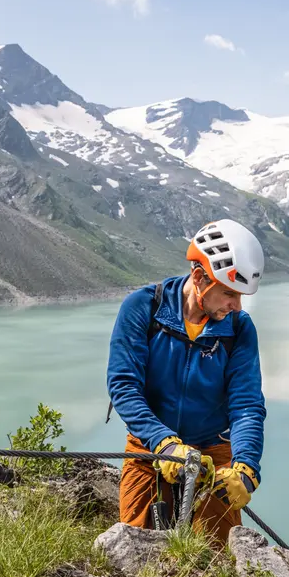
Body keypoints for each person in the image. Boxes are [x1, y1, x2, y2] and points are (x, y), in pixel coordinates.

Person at [106, 219, 267, 546]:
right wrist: (163, 442)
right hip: (149, 447)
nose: (236, 305)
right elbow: (124, 386)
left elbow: (246, 404)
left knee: (213, 558)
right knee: (135, 551)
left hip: (215, 454)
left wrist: (246, 468)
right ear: (198, 277)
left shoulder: (239, 328)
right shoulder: (144, 308)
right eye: (229, 293)